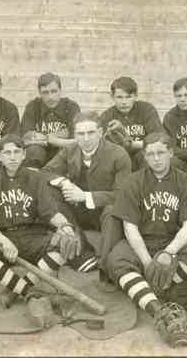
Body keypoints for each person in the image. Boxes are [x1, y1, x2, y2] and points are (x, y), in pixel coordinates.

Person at [107, 132, 187, 347]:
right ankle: (158, 309)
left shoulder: (186, 181)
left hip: (173, 244)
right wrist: (147, 262)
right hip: (143, 242)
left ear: (171, 153)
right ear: (144, 156)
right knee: (116, 258)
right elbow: (130, 226)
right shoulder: (133, 181)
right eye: (151, 153)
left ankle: (148, 292)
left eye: (161, 152)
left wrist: (168, 253)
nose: (156, 158)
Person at [0, 133, 96, 309]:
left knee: (63, 245)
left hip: (32, 235)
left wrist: (65, 226)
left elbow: (50, 213)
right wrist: (5, 243)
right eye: (7, 153)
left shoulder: (35, 179)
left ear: (24, 154)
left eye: (17, 152)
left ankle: (17, 290)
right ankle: (28, 293)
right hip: (1, 236)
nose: (12, 157)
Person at [43, 111, 132, 286]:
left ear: (100, 132)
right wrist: (64, 182)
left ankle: (106, 268)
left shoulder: (119, 154)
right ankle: (80, 247)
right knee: (50, 191)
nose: (85, 138)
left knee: (112, 209)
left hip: (104, 214)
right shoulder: (70, 150)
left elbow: (122, 195)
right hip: (79, 213)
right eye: (80, 134)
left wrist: (85, 196)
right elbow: (45, 172)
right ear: (74, 135)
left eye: (90, 133)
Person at [99, 76, 163, 171]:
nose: (124, 102)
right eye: (119, 97)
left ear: (136, 96)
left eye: (128, 97)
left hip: (144, 158)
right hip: (121, 160)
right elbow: (104, 148)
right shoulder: (107, 116)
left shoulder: (146, 109)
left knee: (147, 156)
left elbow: (158, 139)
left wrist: (132, 144)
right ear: (112, 97)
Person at [21, 72, 80, 168]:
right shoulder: (33, 106)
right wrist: (59, 134)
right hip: (38, 154)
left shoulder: (71, 106)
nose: (50, 97)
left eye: (54, 91)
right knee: (33, 150)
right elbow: (26, 139)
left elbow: (76, 142)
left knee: (70, 152)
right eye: (45, 92)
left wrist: (47, 138)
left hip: (62, 152)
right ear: (39, 93)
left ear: (60, 91)